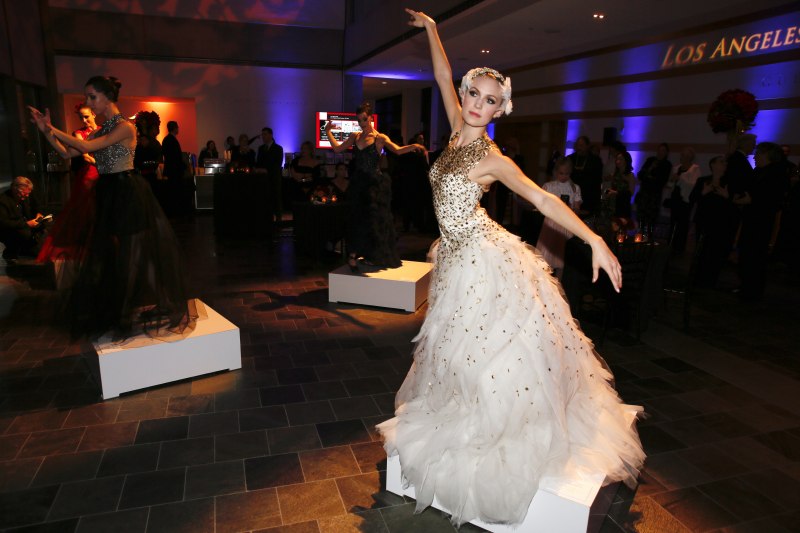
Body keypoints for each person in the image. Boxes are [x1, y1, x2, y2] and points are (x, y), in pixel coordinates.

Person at [376, 10, 645, 528]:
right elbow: (439, 74)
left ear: (501, 110)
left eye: (489, 100)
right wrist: (432, 30)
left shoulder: (493, 158)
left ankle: (502, 438)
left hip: (484, 257)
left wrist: (593, 239)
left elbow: (544, 201)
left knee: (491, 355)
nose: (477, 105)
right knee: (456, 352)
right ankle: (468, 421)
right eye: (473, 94)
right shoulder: (456, 126)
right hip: (454, 255)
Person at [28, 75, 193, 340]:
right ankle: (151, 304)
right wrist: (45, 131)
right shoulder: (103, 128)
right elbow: (67, 153)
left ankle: (133, 311)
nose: (89, 103)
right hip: (108, 193)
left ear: (107, 97)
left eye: (92, 97)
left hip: (127, 191)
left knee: (133, 253)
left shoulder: (126, 127)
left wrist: (51, 127)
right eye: (88, 98)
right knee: (126, 254)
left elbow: (83, 146)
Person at [325, 103, 426, 270]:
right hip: (358, 184)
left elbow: (398, 150)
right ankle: (353, 254)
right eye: (359, 120)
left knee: (374, 221)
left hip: (374, 185)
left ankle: (372, 255)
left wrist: (415, 146)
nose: (362, 123)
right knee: (357, 218)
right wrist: (328, 131)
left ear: (371, 118)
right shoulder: (355, 136)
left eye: (364, 119)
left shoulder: (380, 138)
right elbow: (337, 149)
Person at [38, 104, 100, 263]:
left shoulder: (103, 129)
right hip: (90, 173)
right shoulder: (79, 133)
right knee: (86, 210)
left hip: (104, 174)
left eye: (86, 116)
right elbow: (82, 154)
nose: (84, 120)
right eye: (81, 117)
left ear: (93, 114)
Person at [737, 142, 790, 301]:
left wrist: (751, 200)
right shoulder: (759, 171)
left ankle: (752, 290)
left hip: (761, 221)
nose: (756, 156)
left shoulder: (776, 174)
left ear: (768, 155)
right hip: (751, 218)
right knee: (746, 253)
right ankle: (745, 286)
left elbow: (771, 199)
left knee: (756, 255)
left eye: (759, 153)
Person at [690, 156, 737, 287]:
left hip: (720, 223)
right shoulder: (703, 181)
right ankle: (698, 279)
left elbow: (733, 206)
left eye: (725, 162)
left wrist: (727, 197)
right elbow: (692, 198)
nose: (725, 164)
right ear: (713, 165)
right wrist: (704, 192)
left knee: (715, 251)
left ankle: (710, 280)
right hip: (704, 221)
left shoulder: (729, 182)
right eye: (722, 162)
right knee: (701, 250)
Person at [536, 157, 582, 276]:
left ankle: (559, 284)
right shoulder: (549, 186)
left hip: (566, 223)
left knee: (562, 256)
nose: (564, 176)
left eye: (567, 174)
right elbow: (541, 205)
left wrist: (571, 208)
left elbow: (577, 209)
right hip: (551, 223)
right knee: (547, 254)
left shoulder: (574, 188)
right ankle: (545, 281)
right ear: (556, 172)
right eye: (561, 173)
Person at [0, 177, 47, 263]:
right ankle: (14, 250)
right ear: (15, 190)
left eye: (28, 193)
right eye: (24, 194)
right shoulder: (3, 201)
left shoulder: (27, 194)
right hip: (12, 229)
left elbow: (36, 205)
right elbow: (4, 223)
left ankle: (29, 246)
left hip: (26, 224)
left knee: (44, 226)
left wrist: (38, 213)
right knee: (24, 233)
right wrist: (26, 224)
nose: (27, 196)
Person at [667, 147, 701, 252]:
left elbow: (694, 185)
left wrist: (680, 179)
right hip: (675, 198)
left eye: (685, 156)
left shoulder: (695, 169)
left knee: (683, 224)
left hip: (686, 200)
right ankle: (670, 245)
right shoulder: (676, 168)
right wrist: (672, 181)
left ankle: (679, 247)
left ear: (690, 157)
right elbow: (669, 184)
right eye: (682, 155)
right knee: (673, 222)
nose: (683, 158)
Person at [635, 143, 672, 235]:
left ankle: (649, 237)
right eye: (659, 150)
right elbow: (640, 175)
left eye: (663, 151)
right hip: (644, 193)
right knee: (641, 216)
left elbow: (661, 181)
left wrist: (649, 177)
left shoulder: (666, 164)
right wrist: (650, 169)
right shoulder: (650, 160)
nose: (660, 153)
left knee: (651, 218)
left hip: (654, 196)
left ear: (666, 153)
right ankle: (640, 234)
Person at [255, 127, 284, 229]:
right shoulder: (261, 148)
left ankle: (279, 220)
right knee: (266, 199)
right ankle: (267, 219)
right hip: (263, 179)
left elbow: (278, 164)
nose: (263, 136)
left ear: (271, 135)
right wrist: (258, 169)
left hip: (274, 178)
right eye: (262, 134)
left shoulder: (278, 148)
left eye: (265, 134)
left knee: (276, 198)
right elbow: (258, 162)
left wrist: (266, 170)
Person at [567, 135, 603, 216]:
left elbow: (597, 181)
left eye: (582, 146)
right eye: (578, 145)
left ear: (587, 146)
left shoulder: (595, 160)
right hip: (572, 194)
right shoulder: (570, 159)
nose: (579, 148)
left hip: (588, 197)